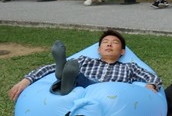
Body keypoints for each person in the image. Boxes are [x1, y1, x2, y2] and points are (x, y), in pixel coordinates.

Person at [8, 30, 162, 100]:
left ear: (122, 52)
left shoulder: (129, 66)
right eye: (105, 43)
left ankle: (64, 78)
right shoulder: (85, 60)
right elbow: (49, 68)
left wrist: (151, 86)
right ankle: (63, 72)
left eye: (114, 43)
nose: (109, 45)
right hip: (83, 86)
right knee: (77, 75)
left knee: (76, 76)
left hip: (108, 92)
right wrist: (26, 80)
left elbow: (151, 76)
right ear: (98, 49)